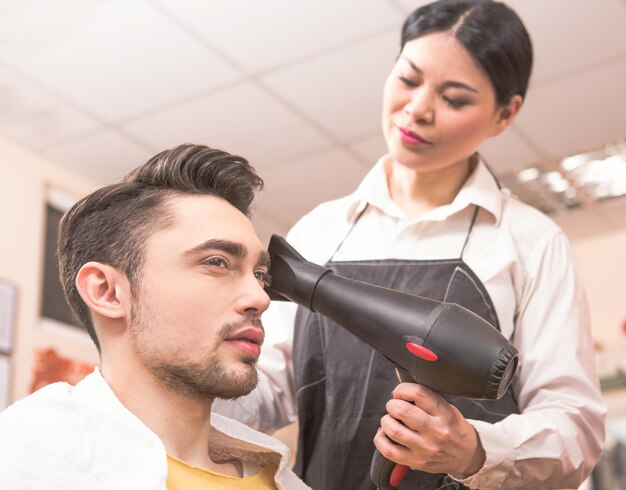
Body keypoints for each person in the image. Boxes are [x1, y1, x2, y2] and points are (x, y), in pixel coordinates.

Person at [213, 1, 607, 488]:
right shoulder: (320, 230)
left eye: (455, 99)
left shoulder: (530, 243)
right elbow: (266, 383)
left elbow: (576, 428)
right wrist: (177, 391)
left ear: (505, 114)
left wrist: (473, 451)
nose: (418, 108)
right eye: (408, 79)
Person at [0, 144, 309, 490]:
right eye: (217, 262)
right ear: (107, 292)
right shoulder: (24, 460)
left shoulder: (280, 481)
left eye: (260, 275)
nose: (260, 298)